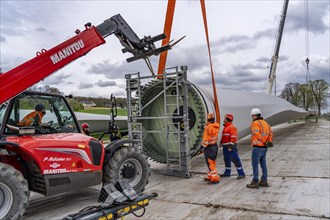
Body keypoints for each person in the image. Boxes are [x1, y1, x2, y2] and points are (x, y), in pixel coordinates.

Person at [246, 108, 273, 189]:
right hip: (264, 147)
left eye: (252, 116)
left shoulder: (255, 123)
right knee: (263, 164)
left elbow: (257, 135)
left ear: (254, 115)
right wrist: (268, 143)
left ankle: (255, 181)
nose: (252, 117)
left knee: (255, 164)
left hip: (257, 147)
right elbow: (271, 134)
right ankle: (264, 180)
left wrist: (265, 142)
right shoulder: (266, 123)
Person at [219, 114, 246, 179]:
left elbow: (233, 137)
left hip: (230, 147)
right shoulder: (226, 127)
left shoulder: (232, 127)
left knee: (235, 159)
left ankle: (241, 174)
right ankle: (227, 172)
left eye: (224, 118)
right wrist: (221, 142)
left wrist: (231, 146)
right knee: (226, 159)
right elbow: (225, 136)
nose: (223, 119)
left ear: (227, 119)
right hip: (225, 146)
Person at [202, 112, 220, 184]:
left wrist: (202, 147)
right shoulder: (215, 126)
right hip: (214, 146)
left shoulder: (208, 128)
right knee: (212, 162)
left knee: (210, 162)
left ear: (208, 119)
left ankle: (215, 179)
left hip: (209, 148)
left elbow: (206, 140)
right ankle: (210, 176)